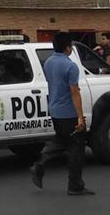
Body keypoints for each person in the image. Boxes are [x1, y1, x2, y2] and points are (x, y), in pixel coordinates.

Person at [30, 32, 93, 195]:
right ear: (67, 47)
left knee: (61, 141)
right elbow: (74, 92)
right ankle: (75, 185)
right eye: (71, 45)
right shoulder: (71, 66)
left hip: (55, 110)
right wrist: (80, 116)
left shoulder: (48, 62)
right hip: (68, 112)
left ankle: (39, 165)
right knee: (76, 148)